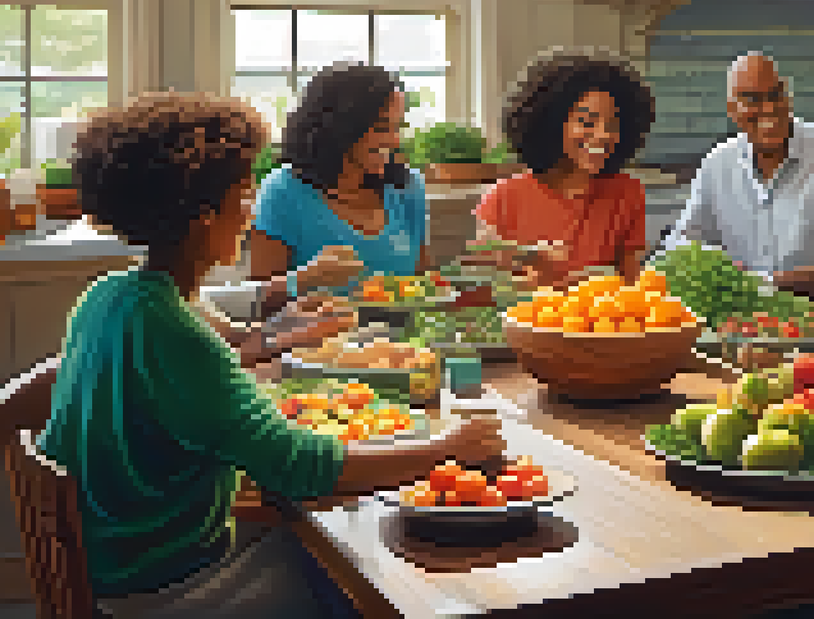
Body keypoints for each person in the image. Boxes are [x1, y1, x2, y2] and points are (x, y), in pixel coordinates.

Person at [40, 93, 503, 618]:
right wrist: (449, 447)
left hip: (118, 561)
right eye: (243, 194)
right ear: (203, 216)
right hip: (164, 586)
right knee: (369, 576)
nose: (253, 206)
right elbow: (299, 467)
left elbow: (220, 342)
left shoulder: (116, 294)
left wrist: (277, 331)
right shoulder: (168, 326)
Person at [660, 52, 814, 298]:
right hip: (736, 320)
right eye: (752, 99)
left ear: (787, 96)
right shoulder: (718, 164)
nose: (768, 109)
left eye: (775, 95)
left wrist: (762, 284)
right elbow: (683, 243)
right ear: (731, 109)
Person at [471, 48, 655, 289]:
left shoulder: (627, 192)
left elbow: (634, 283)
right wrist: (527, 278)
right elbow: (482, 287)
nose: (603, 135)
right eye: (587, 123)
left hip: (601, 323)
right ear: (552, 124)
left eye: (612, 124)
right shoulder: (503, 199)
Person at [248, 62, 430, 294]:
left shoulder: (408, 188)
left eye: (398, 127)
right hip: (316, 330)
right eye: (382, 128)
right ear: (338, 127)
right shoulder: (283, 192)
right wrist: (306, 278)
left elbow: (422, 286)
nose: (395, 141)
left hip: (404, 331)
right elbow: (257, 300)